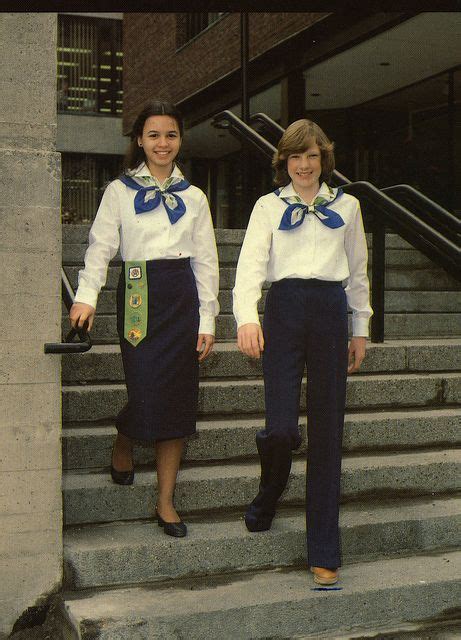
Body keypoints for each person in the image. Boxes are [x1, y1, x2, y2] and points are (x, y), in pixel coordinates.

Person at [69, 100, 219, 538]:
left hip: (180, 299)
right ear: (139, 140)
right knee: (146, 387)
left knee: (177, 399)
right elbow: (100, 247)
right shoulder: (118, 191)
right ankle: (124, 434)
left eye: (170, 135)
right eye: (153, 135)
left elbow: (207, 262)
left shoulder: (195, 197)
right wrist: (85, 297)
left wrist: (207, 319)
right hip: (137, 290)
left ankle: (165, 501)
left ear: (180, 141)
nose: (162, 143)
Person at [233, 119, 372, 584]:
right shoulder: (267, 207)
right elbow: (250, 266)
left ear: (323, 159)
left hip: (331, 312)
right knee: (279, 428)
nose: (304, 164)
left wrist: (360, 327)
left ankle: (325, 552)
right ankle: (270, 493)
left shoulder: (348, 206)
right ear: (283, 162)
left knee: (329, 433)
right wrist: (248, 318)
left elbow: (357, 273)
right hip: (285, 309)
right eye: (295, 156)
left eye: (312, 155)